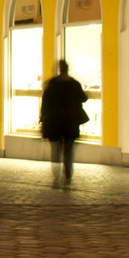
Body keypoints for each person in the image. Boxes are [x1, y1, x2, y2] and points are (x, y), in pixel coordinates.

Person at [40, 59, 89, 189]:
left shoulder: (52, 84)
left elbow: (45, 104)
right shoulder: (74, 84)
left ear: (58, 69)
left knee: (55, 151)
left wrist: (42, 119)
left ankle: (56, 178)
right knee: (68, 150)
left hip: (54, 122)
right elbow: (84, 98)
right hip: (70, 122)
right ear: (67, 69)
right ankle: (68, 176)